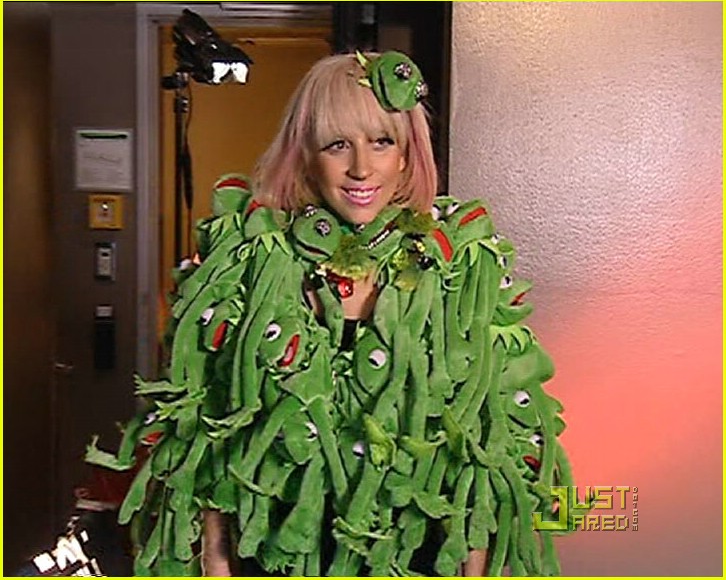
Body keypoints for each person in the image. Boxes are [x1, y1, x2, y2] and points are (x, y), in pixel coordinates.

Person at [87, 51, 578, 577]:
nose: (361, 168)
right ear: (305, 156)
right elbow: (209, 444)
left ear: (407, 155)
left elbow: (485, 451)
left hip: (416, 558)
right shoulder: (251, 265)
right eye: (337, 145)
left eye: (381, 142)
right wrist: (215, 566)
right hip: (276, 556)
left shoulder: (458, 270)